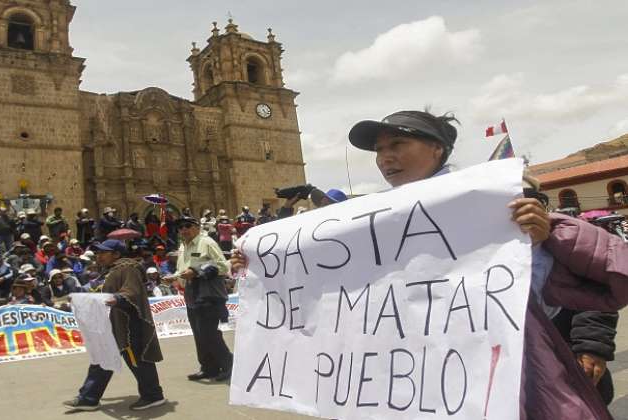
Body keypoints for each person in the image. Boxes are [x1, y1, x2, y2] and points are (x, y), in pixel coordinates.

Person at [233, 109, 625, 419]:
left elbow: (597, 274)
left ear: (437, 149)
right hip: (413, 387)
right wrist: (258, 264)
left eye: (398, 144)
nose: (385, 158)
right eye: (379, 151)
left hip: (506, 380)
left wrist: (548, 237)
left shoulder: (495, 203)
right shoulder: (370, 227)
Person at [65, 239, 166, 411]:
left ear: (117, 254)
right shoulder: (107, 272)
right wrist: (79, 299)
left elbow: (132, 291)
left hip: (127, 324)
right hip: (109, 324)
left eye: (104, 252)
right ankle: (89, 398)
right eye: (97, 253)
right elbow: (98, 293)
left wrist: (117, 298)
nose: (99, 256)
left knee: (137, 360)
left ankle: (153, 395)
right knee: (103, 358)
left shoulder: (128, 268)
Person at [173, 216, 232, 381]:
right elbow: (183, 270)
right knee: (199, 333)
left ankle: (229, 364)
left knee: (208, 332)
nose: (183, 230)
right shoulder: (183, 247)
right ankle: (208, 367)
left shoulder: (207, 242)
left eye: (187, 226)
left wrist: (197, 271)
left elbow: (222, 265)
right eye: (180, 227)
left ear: (197, 227)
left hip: (209, 292)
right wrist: (175, 277)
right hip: (191, 292)